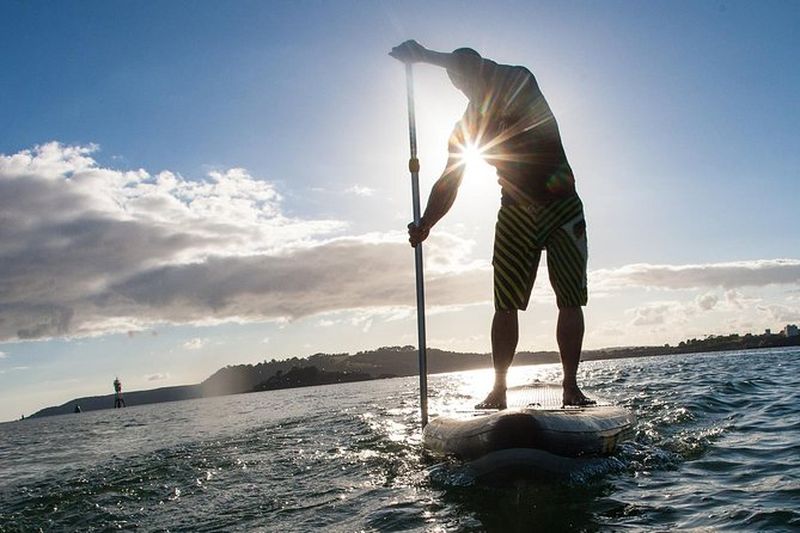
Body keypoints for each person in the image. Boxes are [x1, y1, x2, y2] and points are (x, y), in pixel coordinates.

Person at [390, 40, 595, 408]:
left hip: (561, 203)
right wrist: (426, 222)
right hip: (515, 209)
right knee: (504, 304)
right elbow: (450, 180)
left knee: (569, 298)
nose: (464, 81)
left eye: (466, 72)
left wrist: (423, 56)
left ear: (482, 67)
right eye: (457, 79)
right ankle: (498, 390)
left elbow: (468, 64)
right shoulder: (466, 126)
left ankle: (570, 387)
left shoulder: (517, 80)